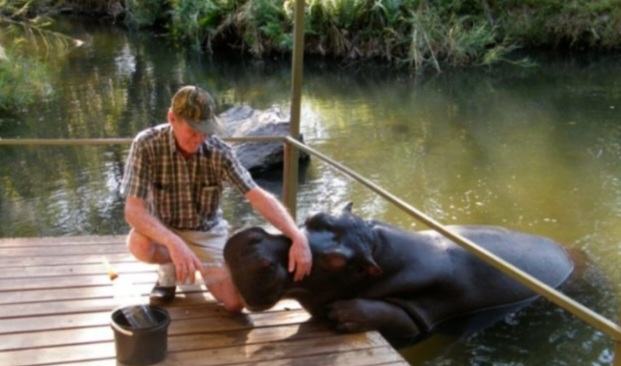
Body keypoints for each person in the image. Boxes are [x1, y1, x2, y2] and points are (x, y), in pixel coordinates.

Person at [120, 85, 311, 312]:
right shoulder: (146, 144)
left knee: (234, 304)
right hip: (163, 230)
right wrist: (174, 243)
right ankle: (168, 268)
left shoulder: (219, 152)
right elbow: (134, 211)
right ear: (172, 118)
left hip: (206, 231)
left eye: (206, 130)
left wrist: (297, 237)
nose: (200, 138)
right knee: (138, 244)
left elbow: (258, 197)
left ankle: (198, 265)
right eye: (193, 131)